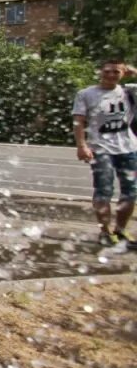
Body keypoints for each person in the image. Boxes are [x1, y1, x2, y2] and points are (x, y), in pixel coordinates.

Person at [72, 60, 137, 248]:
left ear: (123, 73)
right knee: (104, 191)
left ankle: (121, 231)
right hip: (101, 150)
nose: (111, 75)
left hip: (129, 149)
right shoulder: (86, 94)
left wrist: (132, 70)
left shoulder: (129, 91)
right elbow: (78, 121)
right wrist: (81, 145)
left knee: (130, 192)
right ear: (100, 72)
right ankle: (105, 232)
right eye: (107, 71)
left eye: (116, 72)